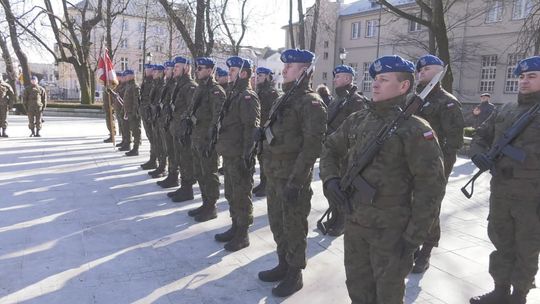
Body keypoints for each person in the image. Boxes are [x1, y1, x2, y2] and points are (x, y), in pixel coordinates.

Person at [320, 55, 446, 304]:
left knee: (387, 295)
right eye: (375, 79)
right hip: (355, 222)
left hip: (392, 230)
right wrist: (330, 180)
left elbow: (430, 190)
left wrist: (413, 238)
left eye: (384, 79)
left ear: (403, 86)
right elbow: (330, 148)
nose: (375, 84)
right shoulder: (359, 119)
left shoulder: (416, 130)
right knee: (357, 287)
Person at [468, 56, 540, 304]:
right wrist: (478, 154)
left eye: (532, 76)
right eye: (521, 76)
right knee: (500, 241)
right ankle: (500, 290)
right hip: (501, 191)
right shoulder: (506, 110)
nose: (524, 81)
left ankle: (519, 295)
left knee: (528, 247)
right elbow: (481, 136)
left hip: (533, 197)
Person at [257, 48, 327, 297]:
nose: (284, 70)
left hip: (292, 179)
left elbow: (312, 148)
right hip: (275, 174)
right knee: (278, 223)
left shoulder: (311, 103)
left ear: (305, 71)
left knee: (294, 226)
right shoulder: (282, 98)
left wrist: (296, 182)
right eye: (285, 66)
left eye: (291, 66)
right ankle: (283, 264)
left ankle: (294, 274)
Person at [412, 54, 465, 274]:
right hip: (409, 164)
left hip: (434, 166)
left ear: (439, 72)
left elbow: (453, 143)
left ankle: (425, 252)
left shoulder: (448, 102)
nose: (421, 73)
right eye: (420, 70)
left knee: (430, 208)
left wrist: (439, 169)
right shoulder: (414, 99)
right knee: (410, 206)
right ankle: (412, 244)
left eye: (426, 70)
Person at [214, 56, 260, 251]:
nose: (229, 74)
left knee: (241, 195)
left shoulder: (247, 96)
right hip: (230, 153)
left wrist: (247, 156)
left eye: (232, 71)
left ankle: (243, 234)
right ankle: (235, 226)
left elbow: (251, 129)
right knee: (232, 193)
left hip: (240, 155)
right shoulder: (233, 94)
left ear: (243, 73)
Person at [320, 64, 367, 237]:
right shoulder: (337, 99)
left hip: (345, 152)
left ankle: (341, 221)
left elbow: (357, 128)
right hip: (333, 149)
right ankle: (335, 215)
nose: (334, 79)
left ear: (348, 78)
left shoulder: (356, 100)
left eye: (338, 77)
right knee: (330, 187)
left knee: (342, 187)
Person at [183, 57, 225, 222]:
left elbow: (218, 119)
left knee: (209, 173)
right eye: (197, 68)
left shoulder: (216, 91)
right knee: (200, 172)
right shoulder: (200, 89)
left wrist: (212, 140)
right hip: (196, 137)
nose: (197, 70)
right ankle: (205, 203)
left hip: (207, 141)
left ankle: (211, 206)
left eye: (200, 68)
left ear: (209, 70)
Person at [165, 56, 197, 200]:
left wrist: (185, 123)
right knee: (180, 158)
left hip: (185, 132)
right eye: (175, 67)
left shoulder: (190, 86)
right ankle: (183, 186)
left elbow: (192, 109)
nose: (175, 69)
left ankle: (187, 190)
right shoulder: (179, 85)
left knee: (186, 160)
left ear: (186, 68)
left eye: (177, 67)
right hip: (177, 129)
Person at [253, 66, 280, 197]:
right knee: (261, 156)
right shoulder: (258, 91)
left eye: (261, 76)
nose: (258, 78)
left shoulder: (271, 92)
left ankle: (267, 184)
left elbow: (273, 113)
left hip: (267, 130)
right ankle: (263, 182)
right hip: (260, 130)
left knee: (266, 158)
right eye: (257, 75)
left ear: (268, 77)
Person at [147, 64, 168, 178]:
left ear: (160, 73)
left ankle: (163, 167)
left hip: (161, 119)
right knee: (157, 143)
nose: (153, 73)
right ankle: (159, 165)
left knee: (162, 145)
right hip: (156, 118)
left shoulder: (162, 85)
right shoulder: (156, 84)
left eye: (155, 72)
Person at [140, 64, 158, 169]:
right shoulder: (146, 81)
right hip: (146, 112)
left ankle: (155, 160)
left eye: (149, 70)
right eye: (146, 70)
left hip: (151, 114)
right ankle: (152, 159)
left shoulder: (153, 83)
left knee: (154, 138)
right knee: (150, 137)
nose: (146, 71)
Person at [122, 70, 141, 156]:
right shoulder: (128, 86)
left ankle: (136, 148)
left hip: (133, 113)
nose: (125, 77)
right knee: (132, 130)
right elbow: (126, 100)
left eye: (127, 75)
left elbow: (136, 101)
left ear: (132, 76)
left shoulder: (135, 86)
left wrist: (134, 112)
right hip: (128, 112)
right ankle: (130, 145)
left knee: (136, 131)